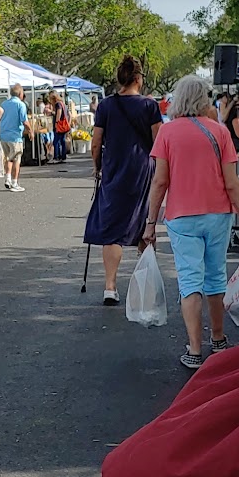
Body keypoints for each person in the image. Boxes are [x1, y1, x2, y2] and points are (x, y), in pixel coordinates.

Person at [142, 75, 239, 370]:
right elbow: (233, 184)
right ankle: (219, 339)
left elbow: (159, 182)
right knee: (215, 276)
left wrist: (149, 223)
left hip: (182, 215)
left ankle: (194, 350)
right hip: (218, 214)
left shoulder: (167, 134)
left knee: (189, 280)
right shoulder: (219, 132)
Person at [84, 55, 162, 304]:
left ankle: (110, 286)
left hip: (114, 169)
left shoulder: (106, 106)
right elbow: (159, 143)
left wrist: (97, 167)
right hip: (142, 170)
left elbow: (96, 143)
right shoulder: (150, 107)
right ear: (139, 79)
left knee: (113, 229)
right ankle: (145, 282)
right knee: (144, 222)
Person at [0, 84, 30, 192]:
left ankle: (8, 178)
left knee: (8, 158)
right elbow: (24, 121)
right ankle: (15, 182)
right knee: (16, 159)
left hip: (3, 135)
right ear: (20, 93)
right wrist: (30, 131)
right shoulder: (21, 105)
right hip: (15, 136)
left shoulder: (4, 104)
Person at [51, 94, 71, 162]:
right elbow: (69, 114)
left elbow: (59, 113)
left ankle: (56, 157)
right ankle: (63, 156)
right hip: (64, 125)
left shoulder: (58, 104)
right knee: (62, 141)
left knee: (56, 141)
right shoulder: (63, 104)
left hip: (59, 125)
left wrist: (56, 122)